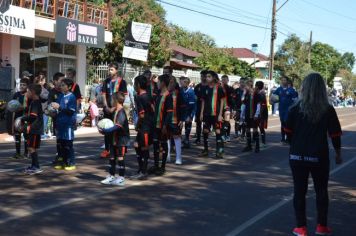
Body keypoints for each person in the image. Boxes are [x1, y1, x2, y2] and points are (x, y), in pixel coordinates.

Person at [284, 73, 342, 236]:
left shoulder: (295, 108)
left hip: (297, 156)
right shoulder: (328, 109)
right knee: (321, 191)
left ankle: (301, 228)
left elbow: (287, 131)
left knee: (299, 191)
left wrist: (295, 145)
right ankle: (321, 226)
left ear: (304, 87)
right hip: (319, 156)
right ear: (322, 89)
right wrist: (338, 154)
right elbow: (335, 134)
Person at [99, 92, 130, 186]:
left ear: (116, 101)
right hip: (114, 139)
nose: (110, 101)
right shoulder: (116, 110)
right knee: (112, 158)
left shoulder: (121, 112)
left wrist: (106, 130)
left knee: (120, 158)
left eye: (112, 99)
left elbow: (117, 126)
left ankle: (121, 178)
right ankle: (111, 176)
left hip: (121, 140)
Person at [100, 62, 128, 158]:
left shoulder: (122, 82)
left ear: (116, 70)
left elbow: (122, 97)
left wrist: (114, 108)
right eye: (109, 69)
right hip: (107, 109)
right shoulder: (106, 81)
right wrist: (106, 106)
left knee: (115, 129)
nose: (109, 71)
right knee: (107, 128)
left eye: (111, 69)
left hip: (116, 109)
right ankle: (107, 149)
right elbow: (103, 94)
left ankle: (115, 148)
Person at [131, 75, 154, 180]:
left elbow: (141, 114)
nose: (134, 86)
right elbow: (153, 109)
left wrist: (138, 124)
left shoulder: (140, 97)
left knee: (144, 148)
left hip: (145, 126)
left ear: (138, 85)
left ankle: (143, 171)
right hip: (148, 125)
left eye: (135, 84)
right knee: (137, 145)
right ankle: (141, 169)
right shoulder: (148, 95)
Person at [52, 79, 77, 170]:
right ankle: (63, 162)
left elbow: (71, 111)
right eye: (61, 85)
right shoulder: (61, 95)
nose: (61, 87)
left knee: (68, 144)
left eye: (63, 85)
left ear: (69, 87)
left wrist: (60, 107)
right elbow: (57, 108)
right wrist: (52, 110)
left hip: (68, 124)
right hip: (60, 123)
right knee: (60, 144)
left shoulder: (72, 97)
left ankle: (71, 163)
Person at [150, 74, 173, 175]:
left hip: (163, 126)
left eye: (158, 82)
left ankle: (162, 167)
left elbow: (169, 112)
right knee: (155, 145)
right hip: (155, 125)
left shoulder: (168, 96)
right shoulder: (158, 94)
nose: (157, 83)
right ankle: (156, 165)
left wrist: (164, 125)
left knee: (163, 145)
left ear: (163, 83)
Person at [199, 70, 225, 159]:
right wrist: (201, 113)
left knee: (218, 131)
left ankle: (219, 151)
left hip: (216, 114)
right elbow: (203, 101)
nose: (207, 78)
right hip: (206, 114)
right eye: (206, 77)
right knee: (205, 131)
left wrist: (220, 114)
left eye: (209, 76)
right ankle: (205, 150)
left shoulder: (219, 88)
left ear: (214, 77)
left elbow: (222, 101)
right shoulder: (204, 88)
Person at [22, 84, 44, 174]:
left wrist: (23, 118)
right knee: (31, 147)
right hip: (34, 128)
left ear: (33, 92)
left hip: (34, 128)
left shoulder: (35, 102)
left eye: (28, 91)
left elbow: (33, 116)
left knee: (31, 147)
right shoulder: (34, 101)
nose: (27, 93)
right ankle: (34, 165)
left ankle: (36, 166)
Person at [272, 76, 297, 143]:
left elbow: (295, 100)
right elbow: (273, 96)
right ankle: (283, 138)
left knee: (287, 123)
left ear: (287, 81)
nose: (283, 81)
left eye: (284, 80)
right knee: (282, 123)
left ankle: (289, 138)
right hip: (281, 110)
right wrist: (271, 100)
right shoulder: (279, 89)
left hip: (288, 110)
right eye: (282, 80)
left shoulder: (291, 90)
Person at [241, 80, 264, 153]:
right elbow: (243, 103)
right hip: (248, 115)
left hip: (254, 115)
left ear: (250, 86)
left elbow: (258, 105)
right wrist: (242, 114)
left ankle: (257, 146)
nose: (245, 87)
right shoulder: (247, 94)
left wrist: (257, 114)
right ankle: (249, 146)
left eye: (246, 86)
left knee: (255, 130)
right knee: (247, 129)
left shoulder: (256, 94)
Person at [48, 72, 65, 165]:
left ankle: (66, 157)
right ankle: (60, 156)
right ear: (55, 81)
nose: (63, 82)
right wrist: (51, 110)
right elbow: (50, 105)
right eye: (61, 80)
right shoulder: (52, 92)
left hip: (66, 120)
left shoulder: (65, 92)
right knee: (59, 139)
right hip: (57, 120)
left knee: (66, 139)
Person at [167, 76, 185, 165]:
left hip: (176, 119)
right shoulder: (164, 93)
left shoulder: (178, 93)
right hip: (166, 120)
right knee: (166, 137)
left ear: (175, 83)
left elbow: (182, 107)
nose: (170, 84)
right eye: (169, 82)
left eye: (172, 82)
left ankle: (178, 157)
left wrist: (182, 119)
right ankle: (167, 156)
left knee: (176, 137)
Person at [12, 78, 30, 159]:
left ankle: (26, 153)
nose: (22, 86)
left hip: (25, 118)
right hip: (17, 118)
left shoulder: (29, 95)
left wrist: (22, 108)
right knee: (17, 135)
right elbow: (12, 106)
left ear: (27, 86)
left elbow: (30, 107)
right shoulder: (16, 95)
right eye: (21, 84)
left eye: (24, 85)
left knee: (26, 136)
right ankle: (17, 153)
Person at [180, 77, 196, 148]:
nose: (180, 84)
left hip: (188, 112)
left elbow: (192, 105)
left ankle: (187, 140)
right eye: (180, 82)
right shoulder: (180, 90)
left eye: (182, 82)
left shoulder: (191, 92)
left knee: (187, 125)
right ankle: (179, 139)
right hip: (181, 111)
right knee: (179, 125)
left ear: (186, 83)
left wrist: (190, 115)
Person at [194, 70, 208, 145]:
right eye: (201, 76)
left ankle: (206, 140)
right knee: (198, 124)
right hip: (198, 108)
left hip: (207, 109)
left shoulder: (209, 86)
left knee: (206, 124)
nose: (202, 78)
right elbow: (195, 97)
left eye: (204, 76)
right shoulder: (197, 86)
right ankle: (198, 138)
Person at [221, 75, 234, 142]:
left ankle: (226, 135)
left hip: (228, 107)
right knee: (222, 121)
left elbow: (232, 99)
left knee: (227, 121)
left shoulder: (230, 88)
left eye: (225, 80)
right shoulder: (219, 88)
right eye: (222, 80)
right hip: (220, 107)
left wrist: (233, 108)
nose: (224, 81)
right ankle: (223, 135)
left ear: (228, 80)